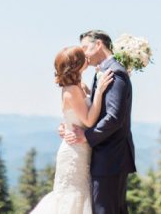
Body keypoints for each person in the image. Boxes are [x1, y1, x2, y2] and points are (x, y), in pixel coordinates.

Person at [31, 45, 114, 213]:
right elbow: (89, 121)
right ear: (77, 65)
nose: (86, 57)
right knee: (73, 200)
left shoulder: (79, 87)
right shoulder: (72, 90)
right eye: (82, 56)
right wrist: (99, 93)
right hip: (74, 154)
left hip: (81, 148)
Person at [64, 30, 137, 214]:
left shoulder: (115, 73)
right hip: (107, 158)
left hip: (111, 158)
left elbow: (113, 118)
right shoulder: (104, 72)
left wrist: (86, 137)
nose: (83, 54)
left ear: (98, 45)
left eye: (85, 48)